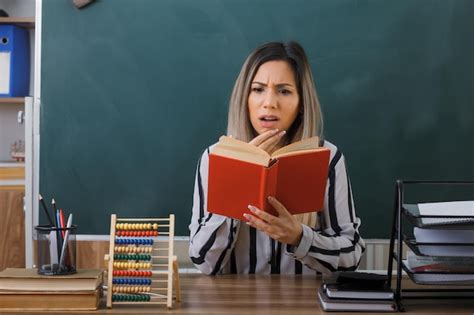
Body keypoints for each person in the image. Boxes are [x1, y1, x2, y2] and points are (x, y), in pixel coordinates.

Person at [189, 41, 365, 275]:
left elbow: (352, 255)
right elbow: (203, 262)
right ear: (245, 99)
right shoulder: (214, 158)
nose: (270, 103)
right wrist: (237, 179)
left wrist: (299, 237)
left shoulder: (329, 159)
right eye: (258, 89)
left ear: (301, 103)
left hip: (304, 303)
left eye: (284, 91)